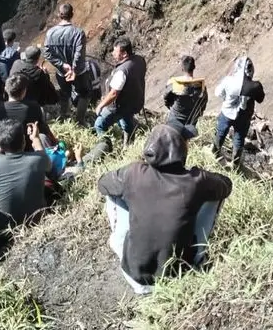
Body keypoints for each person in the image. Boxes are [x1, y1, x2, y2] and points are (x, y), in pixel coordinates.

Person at [98, 124, 232, 294]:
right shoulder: (196, 181)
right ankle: (199, 256)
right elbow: (226, 185)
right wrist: (203, 177)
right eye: (186, 141)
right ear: (179, 148)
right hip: (178, 276)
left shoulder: (133, 173)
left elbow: (102, 184)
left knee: (113, 192)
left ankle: (121, 241)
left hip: (134, 274)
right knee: (214, 197)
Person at [0, 118, 55, 228]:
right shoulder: (38, 160)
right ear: (24, 141)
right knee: (46, 180)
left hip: (5, 227)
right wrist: (35, 138)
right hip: (36, 221)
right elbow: (48, 165)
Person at [43, 3, 91, 125]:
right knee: (84, 94)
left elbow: (47, 54)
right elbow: (79, 54)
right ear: (72, 14)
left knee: (65, 94)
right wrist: (73, 69)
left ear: (59, 15)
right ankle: (80, 121)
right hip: (78, 72)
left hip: (61, 72)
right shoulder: (78, 33)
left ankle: (65, 117)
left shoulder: (50, 33)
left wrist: (62, 65)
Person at [95, 38, 147, 147]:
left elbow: (114, 94)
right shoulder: (140, 60)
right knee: (126, 120)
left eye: (115, 51)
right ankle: (128, 145)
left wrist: (101, 105)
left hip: (119, 105)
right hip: (134, 100)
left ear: (124, 54)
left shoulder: (122, 71)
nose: (113, 53)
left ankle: (105, 148)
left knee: (99, 125)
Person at [213, 56, 265, 167]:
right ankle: (235, 163)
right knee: (239, 139)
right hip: (244, 116)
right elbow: (260, 99)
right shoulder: (255, 86)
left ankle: (215, 153)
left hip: (227, 113)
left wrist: (227, 96)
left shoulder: (228, 80)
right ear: (251, 70)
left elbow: (218, 93)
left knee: (221, 132)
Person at [0, 73, 57, 148]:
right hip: (28, 147)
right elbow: (41, 128)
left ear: (5, 89)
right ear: (24, 92)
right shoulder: (34, 107)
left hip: (2, 146)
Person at [164, 55, 208, 129]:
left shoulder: (174, 84)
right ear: (194, 67)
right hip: (191, 119)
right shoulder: (201, 86)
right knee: (186, 139)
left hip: (175, 118)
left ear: (182, 68)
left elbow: (166, 99)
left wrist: (171, 107)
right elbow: (203, 103)